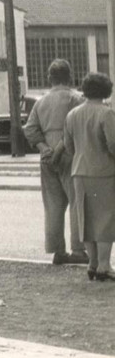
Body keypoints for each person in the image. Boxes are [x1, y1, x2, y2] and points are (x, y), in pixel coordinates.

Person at [24, 58, 89, 265]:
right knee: (78, 202)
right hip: (71, 154)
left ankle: (57, 251)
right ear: (69, 77)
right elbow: (77, 127)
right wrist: (60, 149)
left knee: (53, 205)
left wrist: (45, 149)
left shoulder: (40, 102)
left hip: (47, 157)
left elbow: (31, 129)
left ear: (49, 78)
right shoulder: (76, 100)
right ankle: (78, 250)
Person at [63, 72, 115, 281]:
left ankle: (92, 264)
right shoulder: (107, 114)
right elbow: (113, 144)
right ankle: (104, 265)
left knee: (86, 218)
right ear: (106, 90)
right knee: (105, 218)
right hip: (103, 172)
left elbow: (68, 146)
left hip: (78, 171)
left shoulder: (72, 114)